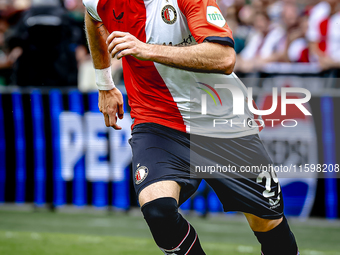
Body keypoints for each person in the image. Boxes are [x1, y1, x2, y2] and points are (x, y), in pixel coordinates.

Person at [83, 0, 299, 254]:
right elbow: (92, 17)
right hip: (157, 121)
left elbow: (224, 57)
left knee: (267, 222)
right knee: (157, 209)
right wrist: (104, 83)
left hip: (221, 121)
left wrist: (147, 50)